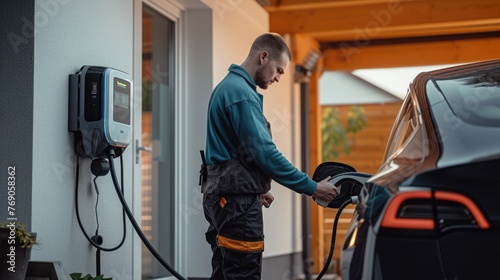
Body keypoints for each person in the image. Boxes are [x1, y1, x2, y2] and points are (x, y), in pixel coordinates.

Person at [200, 32, 339, 280]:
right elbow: (265, 153)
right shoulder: (241, 93)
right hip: (236, 206)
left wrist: (257, 186)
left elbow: (232, 150)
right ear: (264, 56)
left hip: (224, 199)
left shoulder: (230, 87)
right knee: (243, 274)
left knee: (225, 272)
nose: (278, 78)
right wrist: (312, 187)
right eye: (279, 70)